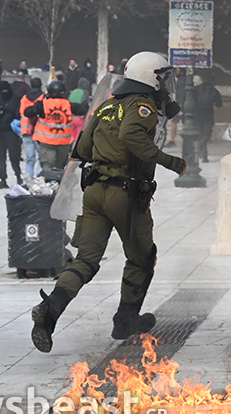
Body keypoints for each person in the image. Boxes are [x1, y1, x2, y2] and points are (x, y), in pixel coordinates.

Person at [30, 51, 187, 353]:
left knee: (86, 260)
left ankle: (49, 311)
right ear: (148, 78)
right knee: (142, 257)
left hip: (94, 193)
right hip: (124, 194)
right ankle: (125, 320)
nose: (165, 85)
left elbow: (84, 148)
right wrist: (170, 161)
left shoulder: (106, 107)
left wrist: (108, 149)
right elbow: (131, 136)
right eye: (161, 78)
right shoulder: (141, 106)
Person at [24, 80, 84, 171]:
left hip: (46, 142)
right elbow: (83, 109)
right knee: (60, 168)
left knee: (48, 166)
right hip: (64, 143)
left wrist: (36, 110)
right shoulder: (68, 105)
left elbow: (27, 112)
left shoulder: (43, 104)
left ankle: (49, 183)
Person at [0, 81, 23, 189]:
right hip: (1, 130)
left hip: (12, 130)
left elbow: (16, 111)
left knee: (14, 156)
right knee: (0, 156)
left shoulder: (15, 98)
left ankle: (18, 176)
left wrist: (5, 109)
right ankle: (3, 179)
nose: (4, 92)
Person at [17, 77, 45, 179]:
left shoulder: (24, 98)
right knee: (42, 158)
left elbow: (20, 112)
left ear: (30, 86)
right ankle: (39, 177)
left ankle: (28, 179)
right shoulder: (43, 97)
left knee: (30, 158)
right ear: (41, 86)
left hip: (26, 130)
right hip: (39, 131)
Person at [194, 72, 222, 162]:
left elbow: (192, 100)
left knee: (200, 134)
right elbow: (219, 104)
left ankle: (201, 152)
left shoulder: (197, 89)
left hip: (198, 114)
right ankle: (203, 153)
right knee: (207, 135)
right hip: (208, 115)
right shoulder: (214, 91)